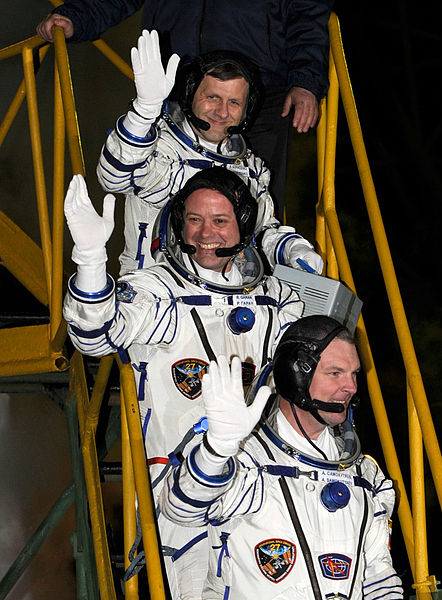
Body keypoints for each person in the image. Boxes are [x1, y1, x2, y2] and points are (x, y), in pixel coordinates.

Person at [62, 168, 303, 598]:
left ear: (243, 224)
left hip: (262, 484)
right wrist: (91, 261)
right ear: (179, 225)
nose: (206, 233)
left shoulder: (279, 299)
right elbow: (94, 336)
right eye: (194, 220)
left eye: (220, 221)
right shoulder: (157, 288)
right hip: (178, 490)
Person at [159, 316, 404, 599]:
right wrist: (217, 448)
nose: (351, 387)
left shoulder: (365, 476)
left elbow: (378, 578)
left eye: (354, 374)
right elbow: (179, 510)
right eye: (335, 373)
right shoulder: (245, 462)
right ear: (294, 376)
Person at [36, 0, 335, 215]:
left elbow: (309, 11)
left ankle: (254, 296)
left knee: (253, 208)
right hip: (176, 87)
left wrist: (305, 81)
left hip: (257, 96)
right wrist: (75, 16)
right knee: (161, 200)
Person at [95, 29, 323, 276]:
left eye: (234, 103)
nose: (222, 112)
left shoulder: (250, 167)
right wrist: (143, 112)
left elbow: (260, 228)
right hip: (155, 291)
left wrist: (292, 248)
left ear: (247, 110)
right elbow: (113, 178)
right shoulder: (153, 145)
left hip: (225, 294)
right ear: (190, 94)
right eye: (212, 97)